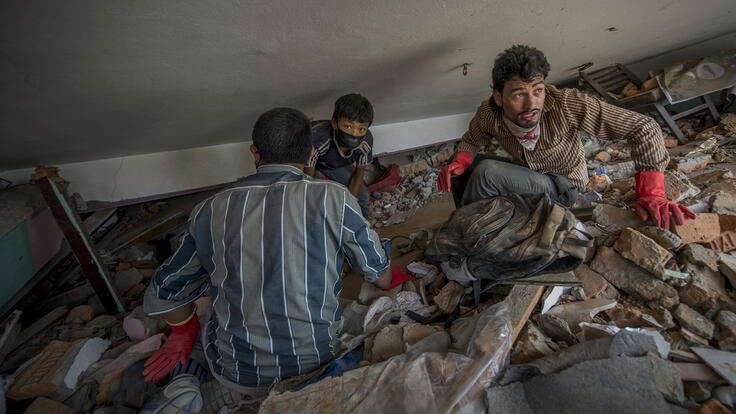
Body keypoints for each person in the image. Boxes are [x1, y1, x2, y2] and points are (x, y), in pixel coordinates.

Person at [141, 108, 408, 409]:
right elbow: (378, 273)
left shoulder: (210, 210)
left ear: (255, 154)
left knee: (209, 314)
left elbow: (165, 293)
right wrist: (392, 279)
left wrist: (183, 332)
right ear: (310, 155)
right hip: (315, 362)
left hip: (237, 373)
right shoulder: (334, 198)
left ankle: (190, 387)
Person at [438, 45, 695, 230]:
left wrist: (651, 193)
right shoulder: (488, 113)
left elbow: (644, 127)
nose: (531, 104)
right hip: (529, 174)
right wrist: (460, 160)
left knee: (487, 173)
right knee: (467, 168)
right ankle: (470, 224)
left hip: (564, 186)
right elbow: (471, 139)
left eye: (537, 91)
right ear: (498, 97)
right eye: (518, 95)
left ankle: (469, 235)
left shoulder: (567, 104)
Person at [304, 93, 375, 217]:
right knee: (312, 202)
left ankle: (362, 229)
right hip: (308, 164)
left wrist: (351, 203)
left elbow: (358, 174)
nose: (354, 134)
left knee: (362, 196)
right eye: (348, 126)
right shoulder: (317, 139)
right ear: (335, 124)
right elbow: (307, 182)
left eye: (361, 129)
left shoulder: (366, 142)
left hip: (333, 164)